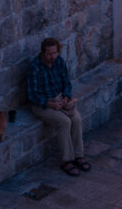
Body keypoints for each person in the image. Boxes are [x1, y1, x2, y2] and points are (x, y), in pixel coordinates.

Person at [27, 37, 90, 177]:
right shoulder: (35, 67)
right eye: (49, 54)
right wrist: (49, 104)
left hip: (60, 99)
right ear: (43, 53)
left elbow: (66, 83)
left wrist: (66, 97)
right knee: (64, 122)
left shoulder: (59, 62)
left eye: (54, 53)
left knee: (77, 119)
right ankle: (67, 160)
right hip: (42, 104)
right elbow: (32, 95)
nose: (52, 56)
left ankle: (78, 155)